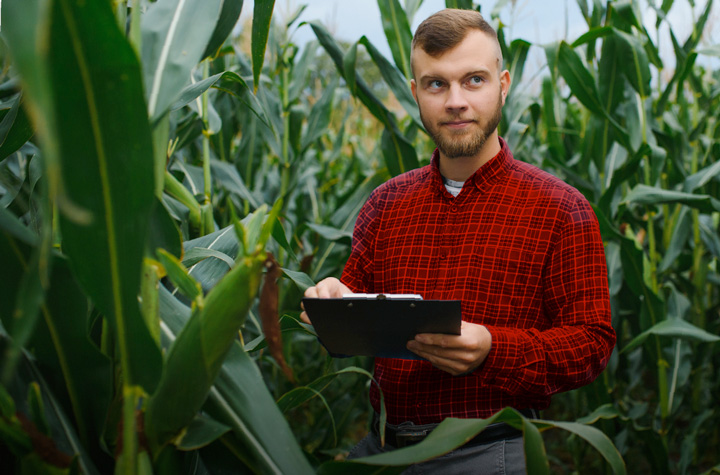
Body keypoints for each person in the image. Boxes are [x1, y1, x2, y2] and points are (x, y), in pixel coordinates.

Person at [301, 8, 616, 474]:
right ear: (414, 93)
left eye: (473, 81)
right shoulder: (385, 204)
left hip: (487, 449)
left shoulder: (560, 209)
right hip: (382, 446)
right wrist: (330, 299)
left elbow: (591, 344)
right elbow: (355, 311)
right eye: (435, 84)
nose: (455, 101)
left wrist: (493, 349)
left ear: (503, 85)